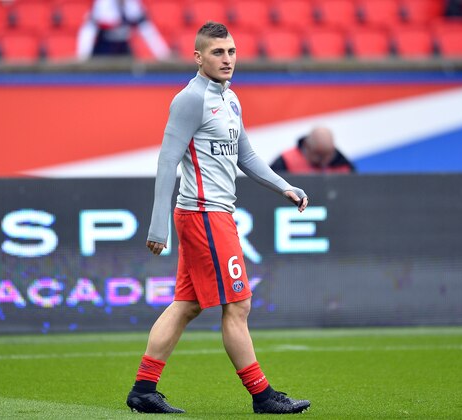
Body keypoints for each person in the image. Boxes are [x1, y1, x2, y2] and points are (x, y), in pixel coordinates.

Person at [125, 21, 311, 415]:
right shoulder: (190, 99)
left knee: (186, 305)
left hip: (215, 215)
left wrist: (284, 187)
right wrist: (158, 224)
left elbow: (245, 154)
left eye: (230, 52)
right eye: (217, 52)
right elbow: (167, 160)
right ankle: (263, 395)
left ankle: (143, 389)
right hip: (203, 215)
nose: (226, 59)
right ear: (198, 57)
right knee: (238, 306)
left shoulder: (230, 99)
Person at [76, 0, 171, 60]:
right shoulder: (102, 4)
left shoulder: (134, 4)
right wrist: (83, 57)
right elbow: (88, 31)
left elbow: (147, 30)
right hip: (105, 47)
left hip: (124, 46)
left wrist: (163, 55)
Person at [270, 126, 356, 174]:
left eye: (328, 155)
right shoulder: (285, 162)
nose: (324, 161)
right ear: (306, 146)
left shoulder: (344, 165)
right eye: (319, 155)